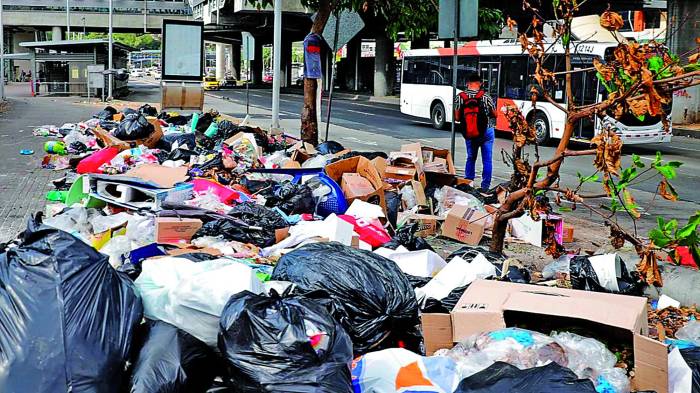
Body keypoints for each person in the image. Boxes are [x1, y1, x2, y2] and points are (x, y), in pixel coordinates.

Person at [454, 74, 497, 192]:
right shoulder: (486, 96)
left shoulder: (460, 97)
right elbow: (495, 114)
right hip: (487, 131)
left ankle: (469, 183)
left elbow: (457, 117)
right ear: (480, 83)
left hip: (470, 132)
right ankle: (485, 187)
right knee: (487, 160)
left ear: (468, 83)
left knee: (471, 158)